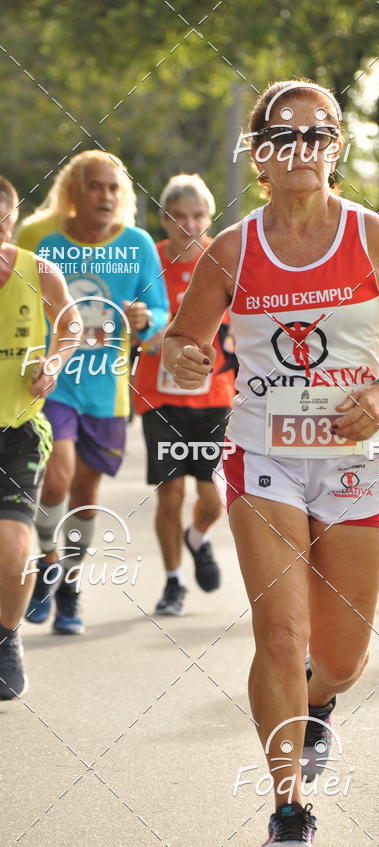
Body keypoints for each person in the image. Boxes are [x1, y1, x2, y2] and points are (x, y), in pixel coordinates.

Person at [163, 80, 379, 847]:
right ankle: (289, 808)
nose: (298, 148)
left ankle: (319, 700)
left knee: (342, 656)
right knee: (281, 635)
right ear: (258, 156)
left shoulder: (369, 234)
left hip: (354, 460)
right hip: (264, 456)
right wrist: (183, 356)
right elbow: (184, 341)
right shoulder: (232, 249)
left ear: (335, 148)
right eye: (280, 137)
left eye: (315, 134)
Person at [18, 150, 168, 635]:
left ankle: (69, 585)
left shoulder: (137, 245)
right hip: (53, 382)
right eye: (95, 186)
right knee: (56, 480)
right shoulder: (39, 239)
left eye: (113, 188)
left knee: (85, 492)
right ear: (73, 193)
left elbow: (160, 313)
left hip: (107, 389)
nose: (105, 196)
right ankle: (46, 561)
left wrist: (147, 320)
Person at [133, 174, 235, 615]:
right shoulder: (149, 262)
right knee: (170, 494)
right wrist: (141, 326)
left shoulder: (225, 258)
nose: (189, 225)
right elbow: (129, 323)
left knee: (213, 498)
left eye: (198, 216)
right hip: (160, 397)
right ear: (164, 219)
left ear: (209, 218)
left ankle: (197, 537)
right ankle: (173, 582)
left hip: (215, 396)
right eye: (179, 217)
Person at [0, 176, 81, 699]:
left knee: (12, 547)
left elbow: (71, 322)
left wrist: (53, 363)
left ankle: (6, 638)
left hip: (19, 431)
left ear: (12, 219)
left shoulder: (37, 270)